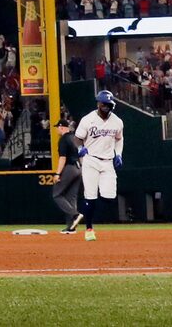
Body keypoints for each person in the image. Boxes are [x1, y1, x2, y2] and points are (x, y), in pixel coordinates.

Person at [69, 85, 123, 243]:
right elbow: (77, 138)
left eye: (109, 104)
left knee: (109, 196)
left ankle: (88, 212)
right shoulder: (88, 119)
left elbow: (119, 139)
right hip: (91, 160)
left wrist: (118, 154)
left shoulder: (117, 121)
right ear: (98, 104)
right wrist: (80, 148)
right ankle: (89, 228)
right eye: (104, 104)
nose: (106, 107)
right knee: (90, 196)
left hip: (107, 162)